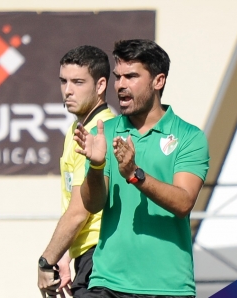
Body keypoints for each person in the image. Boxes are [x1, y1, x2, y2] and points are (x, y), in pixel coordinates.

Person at [73, 39, 210, 297]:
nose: (121, 85)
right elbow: (93, 204)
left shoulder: (189, 136)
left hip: (168, 287)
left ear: (158, 81)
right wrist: (96, 165)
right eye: (118, 77)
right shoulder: (104, 133)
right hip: (107, 282)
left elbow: (183, 202)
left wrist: (136, 175)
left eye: (132, 76)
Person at [37, 45, 115, 298]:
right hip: (88, 255)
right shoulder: (77, 129)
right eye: (64, 81)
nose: (68, 90)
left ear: (101, 85)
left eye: (78, 82)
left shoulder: (98, 131)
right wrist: (67, 253)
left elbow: (80, 210)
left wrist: (47, 260)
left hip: (102, 256)